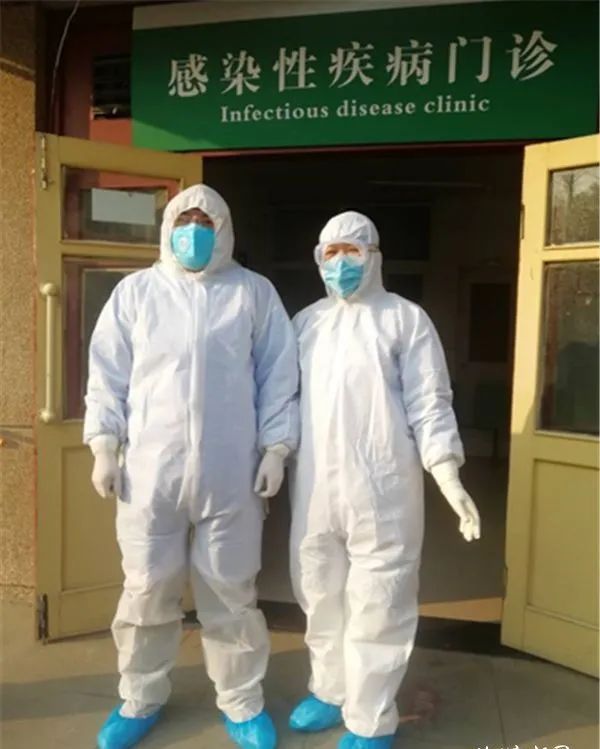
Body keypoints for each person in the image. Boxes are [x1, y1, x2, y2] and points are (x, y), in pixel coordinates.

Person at [84, 184, 299, 749]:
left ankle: (242, 700)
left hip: (232, 474)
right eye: (185, 220)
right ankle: (139, 697)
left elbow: (278, 375)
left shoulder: (252, 293)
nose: (195, 231)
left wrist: (276, 449)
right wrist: (104, 444)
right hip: (150, 474)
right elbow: (107, 375)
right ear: (168, 228)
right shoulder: (136, 294)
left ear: (224, 229)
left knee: (231, 592)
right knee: (146, 588)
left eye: (206, 221)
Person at [288, 211, 481, 749]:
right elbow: (282, 399)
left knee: (380, 602)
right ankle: (330, 690)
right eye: (331, 252)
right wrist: (272, 456)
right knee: (318, 594)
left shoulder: (404, 320)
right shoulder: (305, 324)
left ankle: (371, 718)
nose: (341, 262)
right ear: (319, 260)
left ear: (374, 257)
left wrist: (448, 475)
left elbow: (430, 403)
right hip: (315, 490)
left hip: (383, 489)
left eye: (353, 251)